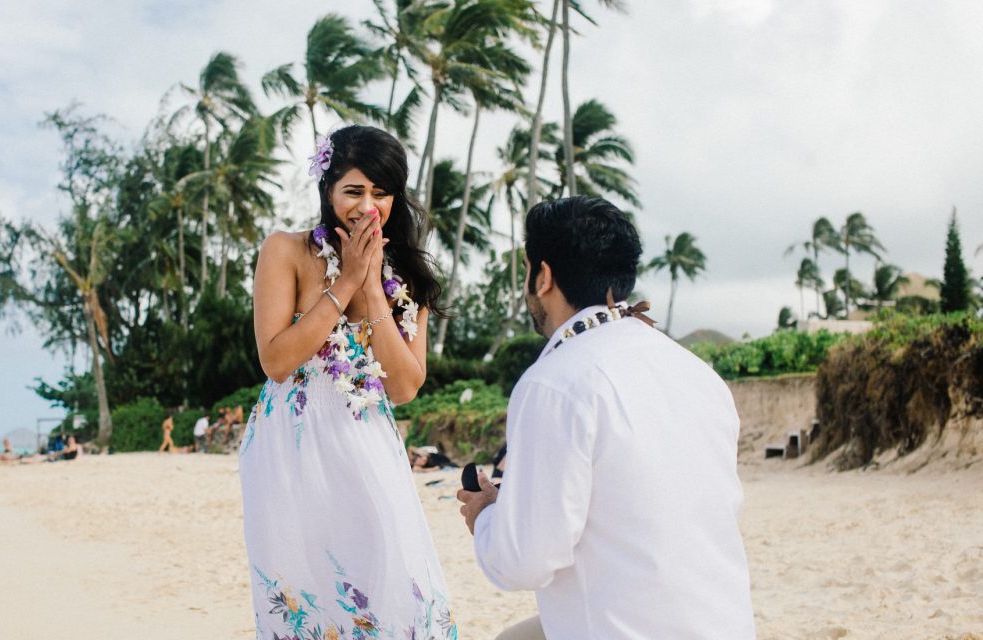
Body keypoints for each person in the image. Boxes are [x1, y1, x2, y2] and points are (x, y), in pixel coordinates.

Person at [456, 197, 755, 639]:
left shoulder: (554, 383)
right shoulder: (699, 373)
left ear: (543, 277)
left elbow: (523, 562)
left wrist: (486, 516)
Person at [240, 124, 456, 638]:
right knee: (307, 590)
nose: (367, 207)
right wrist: (346, 282)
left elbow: (404, 387)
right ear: (327, 189)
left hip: (366, 440)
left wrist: (374, 288)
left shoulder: (409, 277)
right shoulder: (285, 251)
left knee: (389, 578)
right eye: (353, 191)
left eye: (381, 193)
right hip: (290, 442)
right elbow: (276, 361)